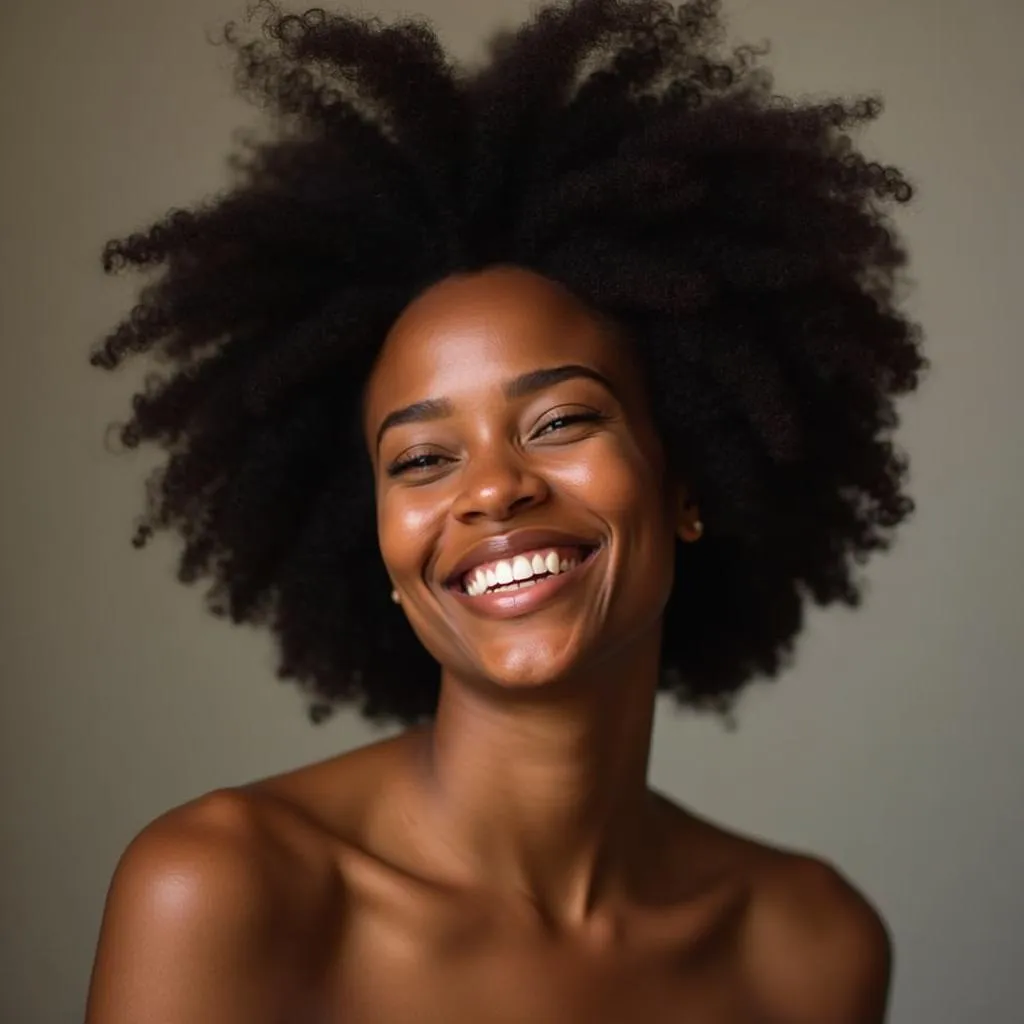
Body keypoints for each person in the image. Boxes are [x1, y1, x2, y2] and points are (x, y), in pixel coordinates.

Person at [84, 1, 924, 1020]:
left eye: (562, 419)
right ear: (384, 551)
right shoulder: (223, 891)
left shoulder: (807, 948)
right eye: (424, 458)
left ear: (687, 481)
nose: (491, 489)